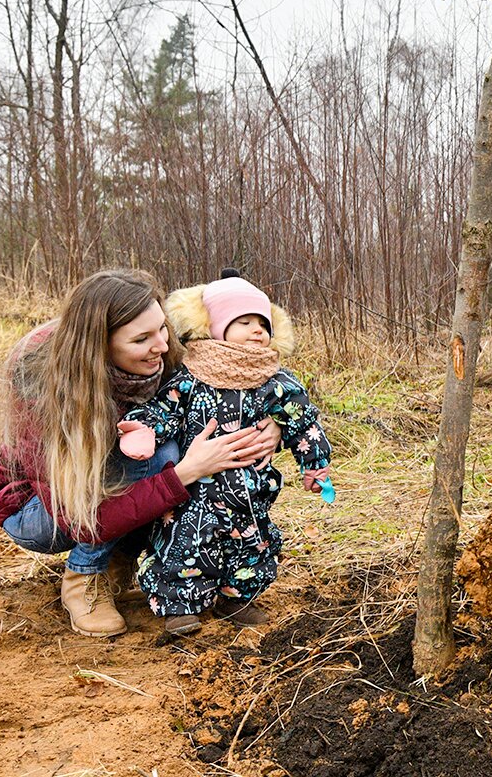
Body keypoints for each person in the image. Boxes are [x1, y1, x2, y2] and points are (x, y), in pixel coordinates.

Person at [0, 269, 281, 638]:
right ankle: (85, 576)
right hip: (41, 511)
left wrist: (275, 424)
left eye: (162, 328)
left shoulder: (163, 357)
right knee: (165, 458)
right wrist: (184, 473)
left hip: (110, 489)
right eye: (141, 338)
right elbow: (77, 515)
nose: (160, 345)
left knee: (175, 454)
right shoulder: (44, 385)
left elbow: (239, 364)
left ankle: (119, 561)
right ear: (100, 347)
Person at [118, 270, 332, 636]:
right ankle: (181, 607)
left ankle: (238, 598)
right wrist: (143, 431)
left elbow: (303, 421)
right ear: (215, 327)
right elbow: (164, 409)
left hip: (251, 492)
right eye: (243, 322)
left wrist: (314, 464)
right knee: (186, 550)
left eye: (263, 324)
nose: (256, 331)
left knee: (253, 546)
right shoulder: (191, 377)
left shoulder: (277, 382)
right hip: (196, 495)